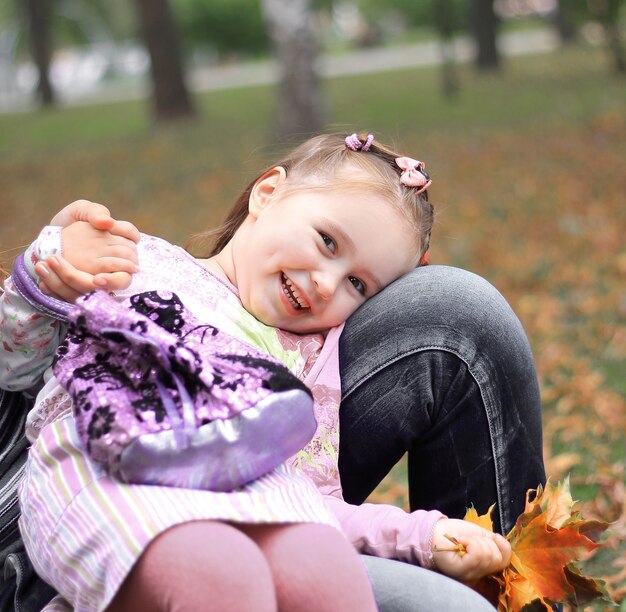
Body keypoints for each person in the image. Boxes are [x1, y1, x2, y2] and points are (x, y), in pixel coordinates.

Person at [0, 133, 538, 611]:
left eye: (358, 285)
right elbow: (13, 365)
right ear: (267, 193)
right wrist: (49, 269)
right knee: (216, 570)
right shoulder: (140, 264)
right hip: (110, 479)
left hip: (254, 509)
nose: (327, 283)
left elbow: (314, 503)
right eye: (327, 242)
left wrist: (420, 535)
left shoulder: (308, 372)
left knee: (321, 566)